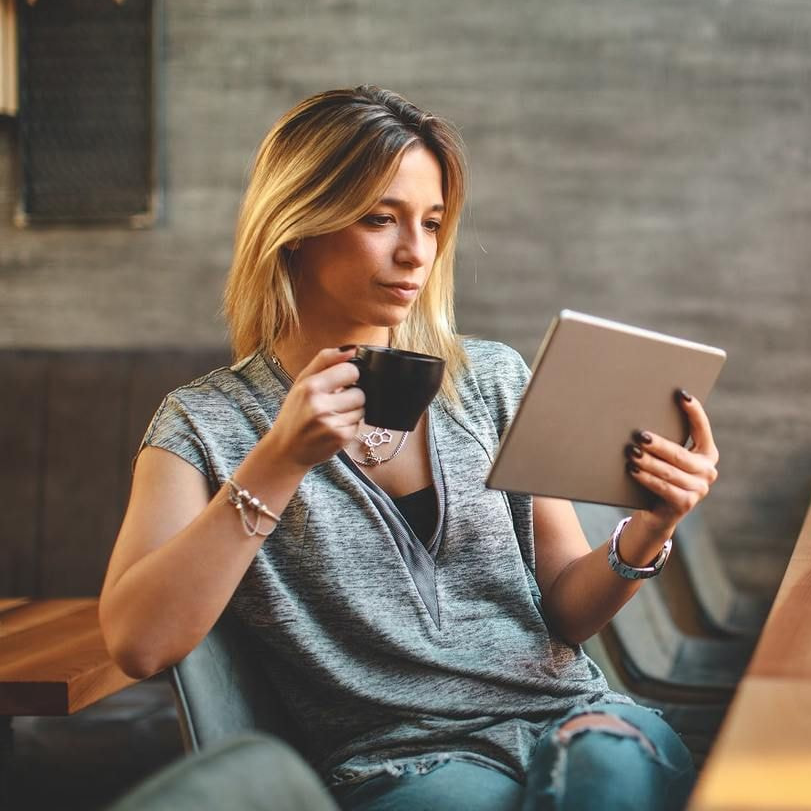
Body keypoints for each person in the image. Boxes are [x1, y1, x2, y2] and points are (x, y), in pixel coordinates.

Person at [99, 86, 721, 811]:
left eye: (431, 223)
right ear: (297, 223)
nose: (415, 252)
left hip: (574, 721)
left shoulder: (489, 381)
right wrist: (279, 462)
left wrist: (651, 527)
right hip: (401, 764)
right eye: (379, 219)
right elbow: (139, 642)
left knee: (605, 769)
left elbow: (566, 611)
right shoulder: (206, 425)